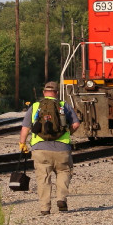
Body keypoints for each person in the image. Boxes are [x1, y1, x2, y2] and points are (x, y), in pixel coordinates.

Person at [19, 81, 80, 215]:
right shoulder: (64, 106)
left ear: (43, 92)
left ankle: (45, 208)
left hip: (40, 150)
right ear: (57, 93)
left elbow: (25, 127)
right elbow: (76, 124)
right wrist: (67, 133)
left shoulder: (35, 106)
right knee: (64, 172)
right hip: (62, 150)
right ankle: (61, 199)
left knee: (43, 178)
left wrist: (22, 143)